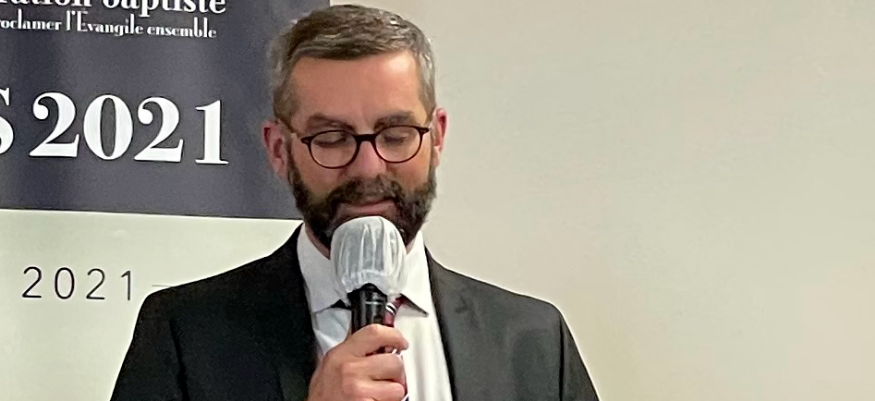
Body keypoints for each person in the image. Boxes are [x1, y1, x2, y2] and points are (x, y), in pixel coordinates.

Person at [110, 4, 599, 401]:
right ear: (279, 150)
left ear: (437, 137)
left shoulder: (534, 341)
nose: (368, 168)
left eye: (395, 134)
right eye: (331, 138)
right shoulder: (185, 335)